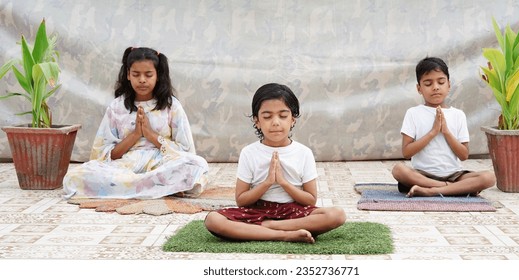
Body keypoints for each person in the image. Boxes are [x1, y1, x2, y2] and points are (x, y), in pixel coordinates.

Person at [204, 83, 346, 243]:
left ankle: (267, 228)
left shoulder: (304, 152)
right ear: (257, 121)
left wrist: (283, 183)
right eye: (267, 116)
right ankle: (285, 235)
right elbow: (241, 200)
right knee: (213, 220)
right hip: (257, 211)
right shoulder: (249, 153)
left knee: (337, 215)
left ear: (293, 119)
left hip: (294, 212)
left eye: (283, 116)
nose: (276, 122)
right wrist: (268, 182)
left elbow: (310, 199)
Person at [63, 47, 208, 199]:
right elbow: (103, 155)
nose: (142, 80)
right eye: (136, 74)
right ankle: (156, 187)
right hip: (125, 167)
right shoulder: (116, 107)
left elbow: (185, 151)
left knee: (197, 165)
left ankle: (133, 188)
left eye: (148, 74)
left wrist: (150, 134)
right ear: (128, 75)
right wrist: (136, 135)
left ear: (157, 75)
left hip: (162, 165)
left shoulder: (172, 106)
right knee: (73, 178)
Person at [391, 57, 496, 197]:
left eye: (441, 82)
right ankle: (451, 189)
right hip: (423, 174)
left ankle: (432, 191)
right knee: (398, 170)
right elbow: (407, 152)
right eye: (428, 83)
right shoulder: (413, 113)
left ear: (449, 85)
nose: (435, 87)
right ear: (419, 88)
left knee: (489, 177)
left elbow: (463, 155)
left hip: (454, 174)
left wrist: (445, 132)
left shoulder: (458, 115)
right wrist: (433, 132)